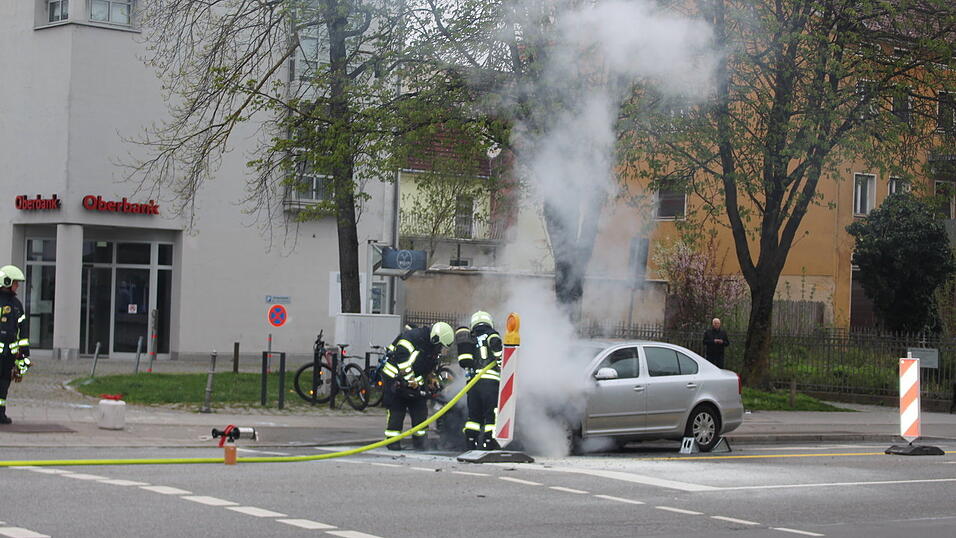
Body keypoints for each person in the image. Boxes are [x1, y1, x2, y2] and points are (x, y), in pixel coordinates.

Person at [380, 321, 454, 450]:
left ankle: (420, 442)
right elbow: (401, 359)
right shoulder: (412, 338)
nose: (440, 349)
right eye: (440, 346)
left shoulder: (432, 346)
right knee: (397, 410)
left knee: (420, 410)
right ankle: (393, 442)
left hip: (414, 380)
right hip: (395, 378)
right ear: (435, 338)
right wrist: (410, 380)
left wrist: (431, 378)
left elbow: (427, 364)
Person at [457, 311, 503, 450]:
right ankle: (490, 442)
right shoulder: (490, 333)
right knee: (491, 415)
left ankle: (471, 442)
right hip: (490, 382)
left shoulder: (471, 337)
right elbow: (496, 344)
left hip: (472, 384)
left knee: (474, 416)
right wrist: (501, 360)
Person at [0, 265, 31, 425]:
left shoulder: (17, 305)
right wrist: (25, 353)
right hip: (7, 354)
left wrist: (24, 353)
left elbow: (22, 332)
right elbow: (23, 332)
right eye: (15, 283)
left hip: (9, 354)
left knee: (4, 383)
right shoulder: (17, 305)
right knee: (3, 383)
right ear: (7, 281)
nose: (17, 286)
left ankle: (0, 414)